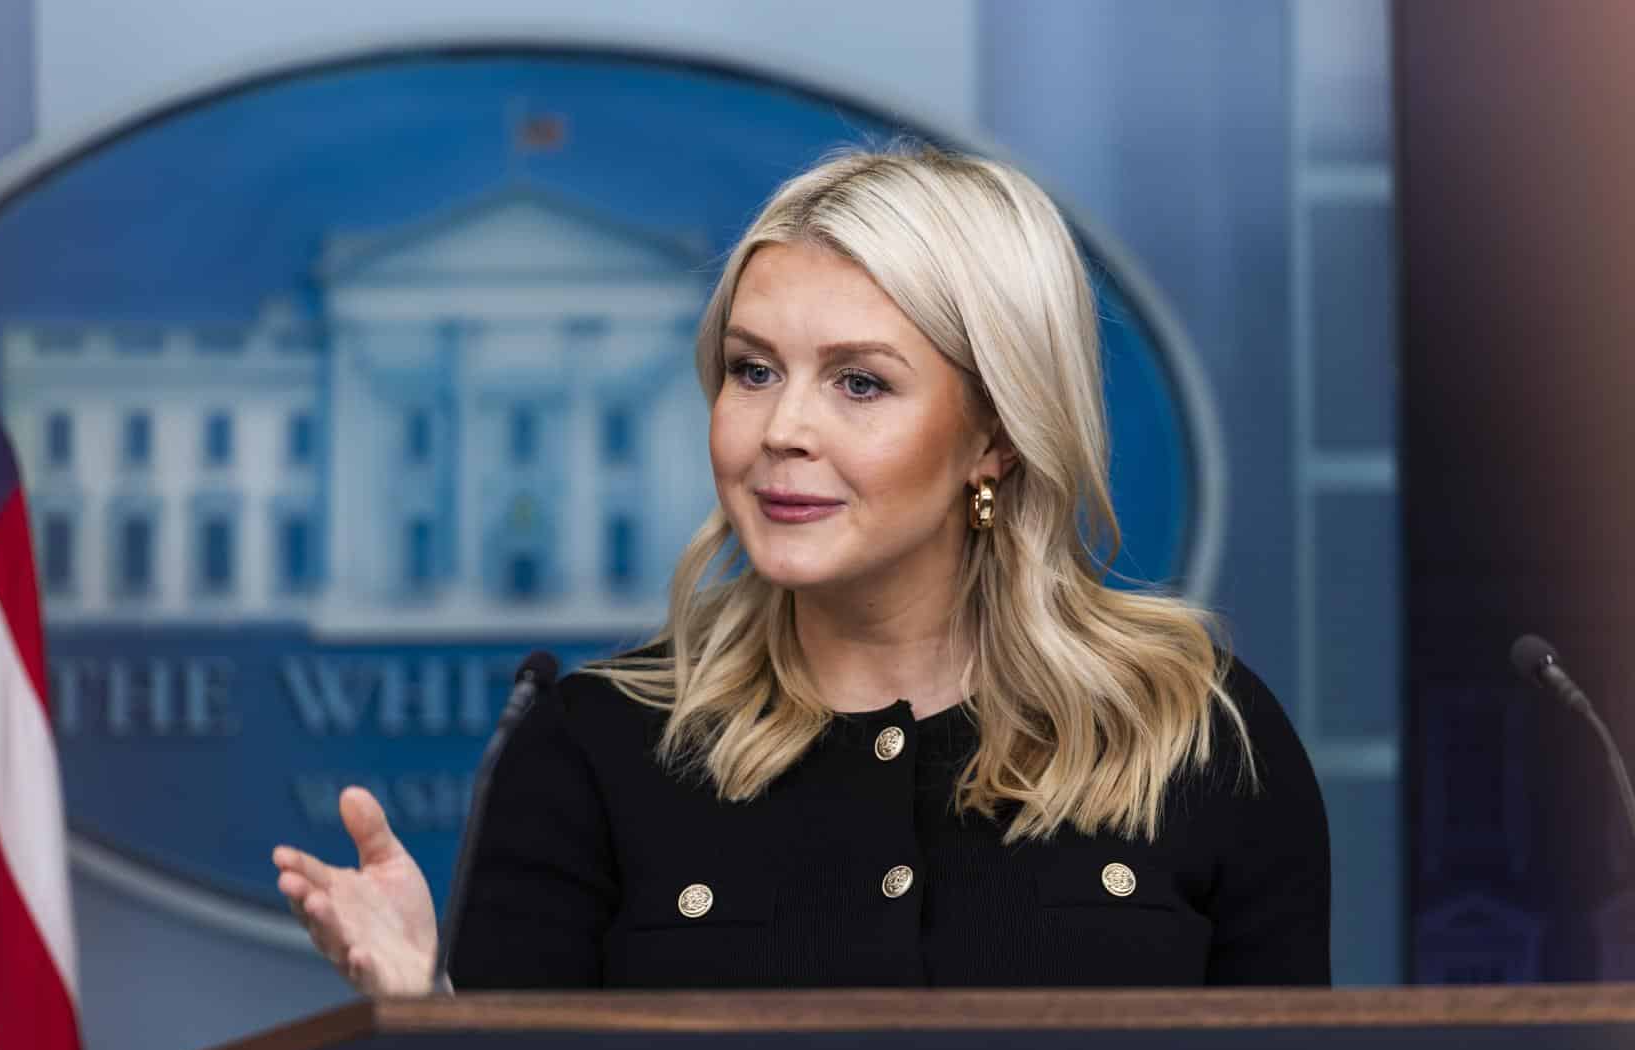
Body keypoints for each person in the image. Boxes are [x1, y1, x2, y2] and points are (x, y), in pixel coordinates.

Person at [272, 144, 1329, 994]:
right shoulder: (591, 749)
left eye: (860, 384)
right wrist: (424, 1019)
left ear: (997, 434)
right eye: (753, 370)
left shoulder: (1194, 734)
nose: (781, 429)